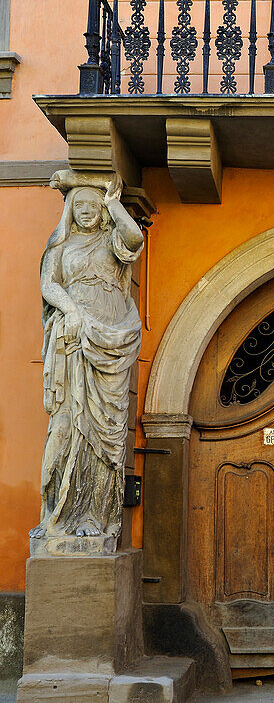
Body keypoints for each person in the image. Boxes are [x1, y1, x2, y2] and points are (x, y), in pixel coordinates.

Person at [29, 176, 143, 548]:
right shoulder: (61, 244)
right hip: (76, 337)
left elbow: (134, 239)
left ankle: (95, 513)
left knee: (105, 432)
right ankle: (60, 515)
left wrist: (113, 202)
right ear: (71, 211)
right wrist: (71, 310)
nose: (87, 211)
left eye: (94, 206)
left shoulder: (112, 239)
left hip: (113, 335)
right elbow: (49, 283)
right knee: (68, 426)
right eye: (80, 205)